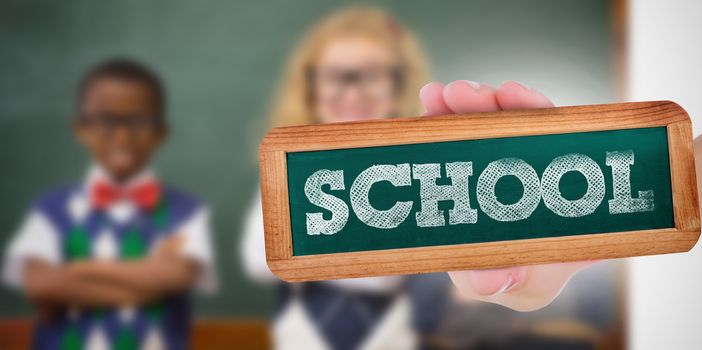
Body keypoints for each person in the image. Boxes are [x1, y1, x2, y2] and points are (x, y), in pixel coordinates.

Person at [242, 7, 450, 350]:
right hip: (303, 333)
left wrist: (313, 255)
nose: (353, 93)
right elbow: (260, 258)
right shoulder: (287, 164)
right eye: (336, 76)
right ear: (310, 87)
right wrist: (383, 260)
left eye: (371, 76)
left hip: (399, 332)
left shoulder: (420, 169)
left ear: (399, 85)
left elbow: (428, 264)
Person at [2, 59, 215, 350]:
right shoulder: (50, 209)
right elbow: (40, 283)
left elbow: (175, 275)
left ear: (161, 133)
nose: (122, 135)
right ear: (81, 129)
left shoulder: (186, 211)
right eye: (105, 120)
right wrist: (143, 286)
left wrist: (77, 269)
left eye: (139, 121)